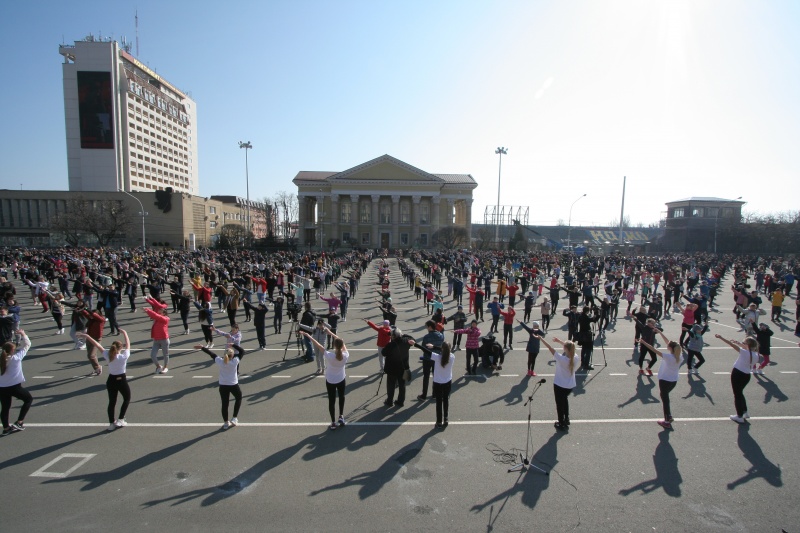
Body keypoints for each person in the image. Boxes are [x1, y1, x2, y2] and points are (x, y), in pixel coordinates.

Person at [78, 329, 132, 431]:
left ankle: (111, 423)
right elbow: (128, 344)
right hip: (121, 380)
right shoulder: (123, 356)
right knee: (127, 398)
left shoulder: (108, 355)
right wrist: (125, 333)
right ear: (121, 348)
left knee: (112, 402)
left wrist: (87, 336)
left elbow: (98, 345)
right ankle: (121, 419)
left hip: (111, 380)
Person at [301, 329, 349, 430]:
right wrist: (331, 333)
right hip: (341, 379)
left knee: (331, 401)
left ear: (334, 346)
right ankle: (341, 416)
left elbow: (318, 345)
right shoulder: (345, 355)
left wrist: (308, 335)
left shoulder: (330, 356)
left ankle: (333, 422)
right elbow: (341, 343)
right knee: (341, 397)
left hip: (330, 380)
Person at [637, 330, 684, 429]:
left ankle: (667, 420)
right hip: (673, 381)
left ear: (670, 348)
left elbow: (653, 349)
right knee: (665, 397)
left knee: (665, 400)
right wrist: (660, 333)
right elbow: (668, 342)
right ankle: (668, 416)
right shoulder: (679, 357)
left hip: (664, 380)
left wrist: (643, 342)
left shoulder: (668, 357)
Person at [195, 343, 246, 430]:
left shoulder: (220, 361)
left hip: (223, 386)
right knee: (239, 398)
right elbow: (242, 351)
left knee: (225, 404)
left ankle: (226, 422)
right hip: (233, 384)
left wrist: (202, 347)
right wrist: (233, 345)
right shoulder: (235, 362)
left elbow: (211, 354)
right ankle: (234, 418)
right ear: (232, 355)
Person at [716, 334, 760, 423]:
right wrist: (740, 343)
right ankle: (745, 412)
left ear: (748, 345)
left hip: (738, 374)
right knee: (740, 393)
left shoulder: (744, 352)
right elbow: (745, 348)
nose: (742, 343)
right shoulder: (756, 354)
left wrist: (721, 337)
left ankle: (739, 416)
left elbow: (731, 345)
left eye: (744, 342)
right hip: (747, 375)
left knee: (737, 395)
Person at [536, 335, 577, 431]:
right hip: (569, 385)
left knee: (559, 404)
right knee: (565, 400)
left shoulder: (562, 359)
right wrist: (560, 341)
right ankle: (566, 418)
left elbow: (550, 348)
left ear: (566, 349)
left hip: (559, 385)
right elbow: (570, 347)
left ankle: (561, 422)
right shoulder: (575, 357)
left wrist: (541, 339)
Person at [414, 341, 455, 428]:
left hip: (438, 382)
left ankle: (439, 422)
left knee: (439, 402)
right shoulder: (452, 357)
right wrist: (435, 347)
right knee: (446, 400)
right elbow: (445, 350)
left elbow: (426, 351)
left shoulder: (437, 357)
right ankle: (446, 418)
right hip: (447, 382)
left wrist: (415, 344)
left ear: (442, 349)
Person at [0, 328, 31, 436]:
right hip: (14, 387)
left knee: (5, 407)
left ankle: (6, 428)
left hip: (2, 388)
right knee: (28, 399)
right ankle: (19, 422)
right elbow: (27, 344)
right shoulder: (16, 358)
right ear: (12, 351)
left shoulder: (2, 359)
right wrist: (23, 334)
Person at [382, 328, 414, 407]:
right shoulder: (406, 341)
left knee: (391, 385)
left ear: (393, 336)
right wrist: (403, 335)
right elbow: (412, 338)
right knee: (402, 385)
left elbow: (383, 353)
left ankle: (389, 401)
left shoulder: (391, 345)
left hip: (392, 369)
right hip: (403, 368)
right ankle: (400, 401)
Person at [417, 320, 444, 400]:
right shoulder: (441, 335)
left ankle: (424, 395)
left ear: (430, 327)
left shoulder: (426, 337)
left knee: (426, 377)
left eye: (427, 327)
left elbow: (423, 347)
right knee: (436, 377)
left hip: (427, 359)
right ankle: (434, 394)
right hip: (437, 359)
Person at [144, 296, 171, 374]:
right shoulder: (157, 318)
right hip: (156, 339)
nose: (159, 310)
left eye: (161, 310)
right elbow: (154, 315)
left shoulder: (165, 318)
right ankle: (158, 366)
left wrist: (147, 309)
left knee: (165, 354)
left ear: (164, 312)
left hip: (164, 339)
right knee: (152, 355)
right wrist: (147, 303)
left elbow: (156, 315)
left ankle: (165, 367)